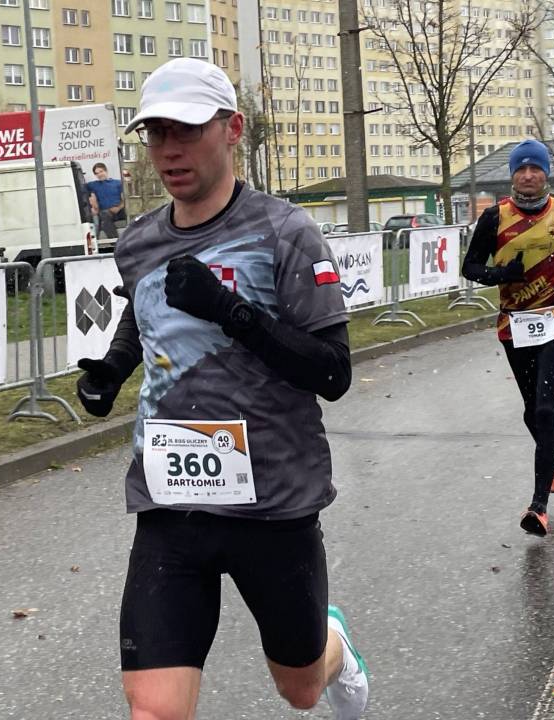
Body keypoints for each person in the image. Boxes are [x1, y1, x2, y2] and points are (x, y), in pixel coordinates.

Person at [74, 57, 369, 719]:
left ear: (232, 129)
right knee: (153, 708)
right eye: (157, 134)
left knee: (300, 689)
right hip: (171, 502)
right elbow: (144, 314)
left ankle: (335, 647)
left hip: (274, 504)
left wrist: (231, 311)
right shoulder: (139, 242)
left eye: (187, 130)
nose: (169, 150)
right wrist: (113, 369)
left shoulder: (286, 232)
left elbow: (333, 372)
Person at [462, 139, 554, 537]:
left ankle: (538, 506)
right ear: (512, 175)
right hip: (516, 324)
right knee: (531, 409)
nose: (527, 175)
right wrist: (501, 275)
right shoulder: (494, 217)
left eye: (535, 169)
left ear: (545, 174)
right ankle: (549, 458)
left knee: (545, 409)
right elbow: (471, 267)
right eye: (521, 169)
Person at [87, 162, 125, 240]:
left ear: (106, 171)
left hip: (119, 210)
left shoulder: (117, 183)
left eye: (101, 171)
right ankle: (116, 241)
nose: (99, 174)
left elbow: (125, 199)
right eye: (97, 173)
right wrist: (93, 207)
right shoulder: (93, 185)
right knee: (103, 217)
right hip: (105, 213)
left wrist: (118, 208)